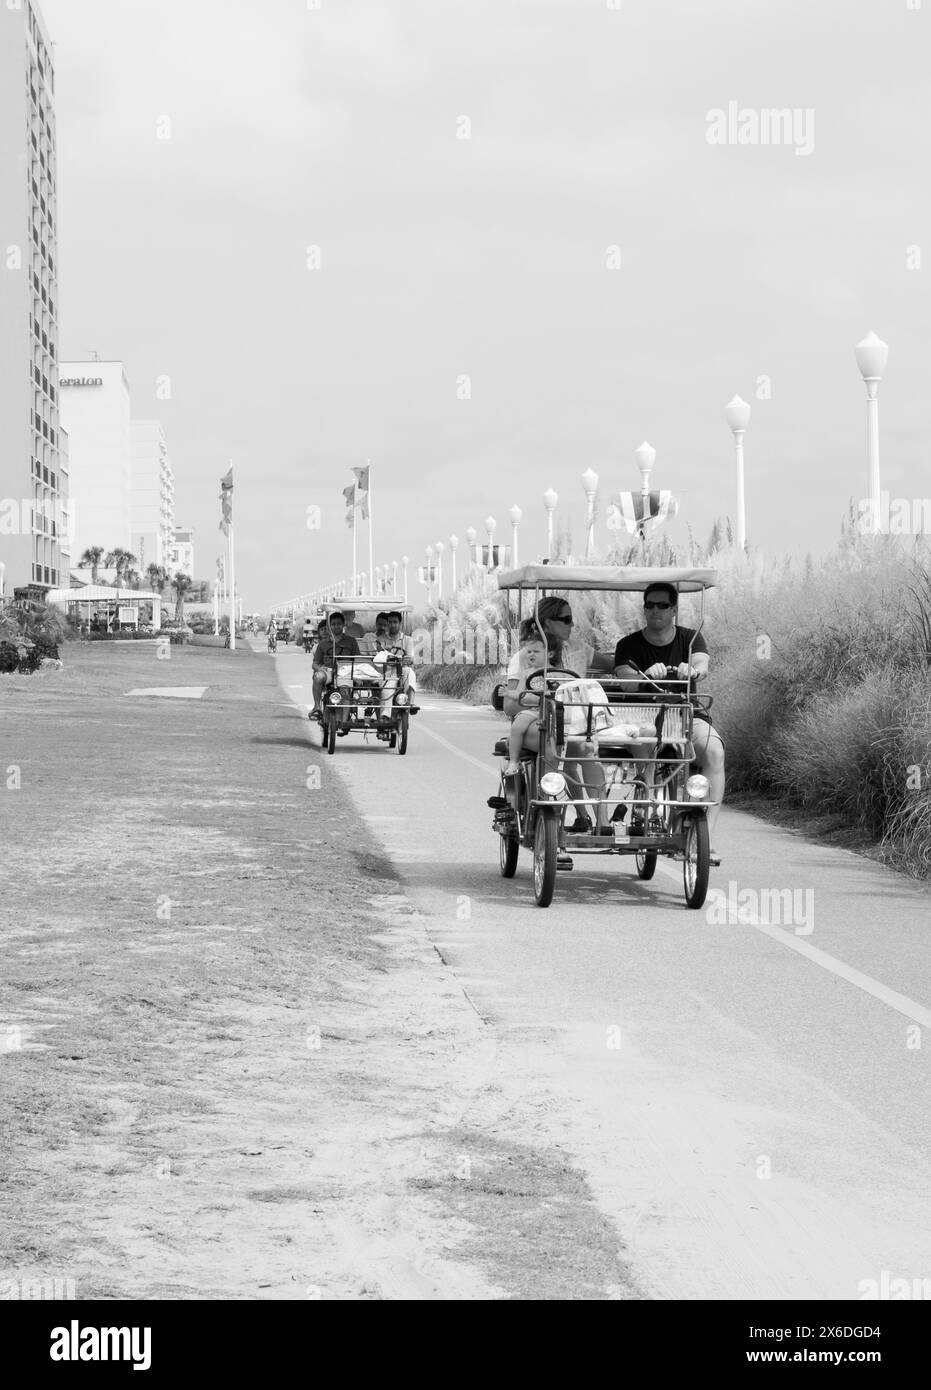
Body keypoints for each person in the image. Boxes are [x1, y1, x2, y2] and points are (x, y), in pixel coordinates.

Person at [613, 581, 724, 859]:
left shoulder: (691, 638)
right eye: (649, 605)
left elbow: (702, 666)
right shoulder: (628, 644)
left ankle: (704, 837)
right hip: (642, 717)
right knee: (647, 741)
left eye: (662, 605)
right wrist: (646, 675)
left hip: (686, 714)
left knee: (714, 752)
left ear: (673, 609)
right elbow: (625, 683)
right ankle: (647, 806)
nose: (655, 610)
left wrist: (692, 671)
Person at [502, 621, 548, 775]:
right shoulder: (527, 673)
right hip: (532, 709)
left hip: (548, 709)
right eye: (529, 652)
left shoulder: (554, 673)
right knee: (517, 726)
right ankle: (514, 762)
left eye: (536, 651)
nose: (531, 655)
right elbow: (520, 694)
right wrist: (509, 693)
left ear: (548, 653)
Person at [310, 612, 359, 724]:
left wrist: (356, 674)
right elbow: (315, 663)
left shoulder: (351, 641)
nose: (336, 626)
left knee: (345, 690)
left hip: (346, 672)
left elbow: (357, 661)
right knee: (318, 677)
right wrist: (321, 669)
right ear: (330, 626)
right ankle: (317, 708)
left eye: (339, 624)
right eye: (333, 624)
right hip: (328, 671)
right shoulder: (323, 644)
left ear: (343, 625)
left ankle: (344, 721)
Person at [375, 610, 414, 722]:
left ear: (400, 623)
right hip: (387, 671)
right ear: (387, 623)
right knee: (388, 688)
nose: (392, 625)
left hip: (402, 669)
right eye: (390, 622)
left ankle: (410, 703)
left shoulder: (407, 640)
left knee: (409, 673)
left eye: (395, 622)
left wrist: (406, 659)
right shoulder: (381, 639)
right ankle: (385, 716)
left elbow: (410, 658)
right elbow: (379, 657)